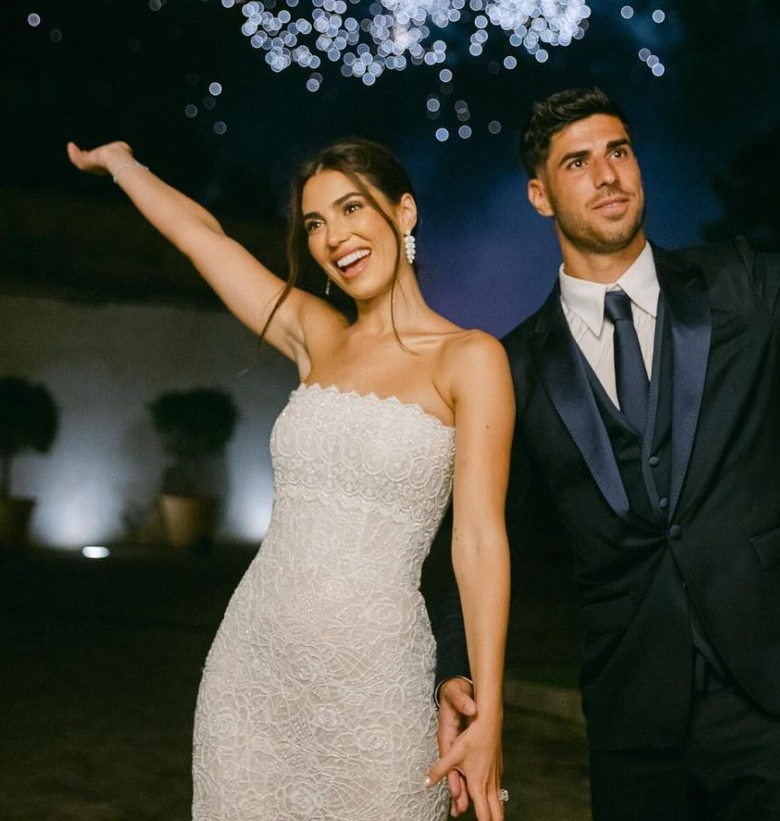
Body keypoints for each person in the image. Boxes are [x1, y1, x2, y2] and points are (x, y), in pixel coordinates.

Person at [431, 87, 780, 820]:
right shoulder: (513, 368)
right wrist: (456, 665)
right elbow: (475, 533)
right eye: (579, 162)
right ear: (540, 195)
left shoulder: (736, 286)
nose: (608, 175)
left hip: (776, 694)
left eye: (620, 152)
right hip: (633, 712)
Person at [67, 137, 512, 821]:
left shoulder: (470, 359)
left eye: (351, 208)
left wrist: (489, 715)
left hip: (376, 686)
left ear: (405, 212)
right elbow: (201, 237)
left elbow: (479, 542)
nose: (333, 236)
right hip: (253, 674)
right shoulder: (315, 333)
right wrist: (123, 165)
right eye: (314, 224)